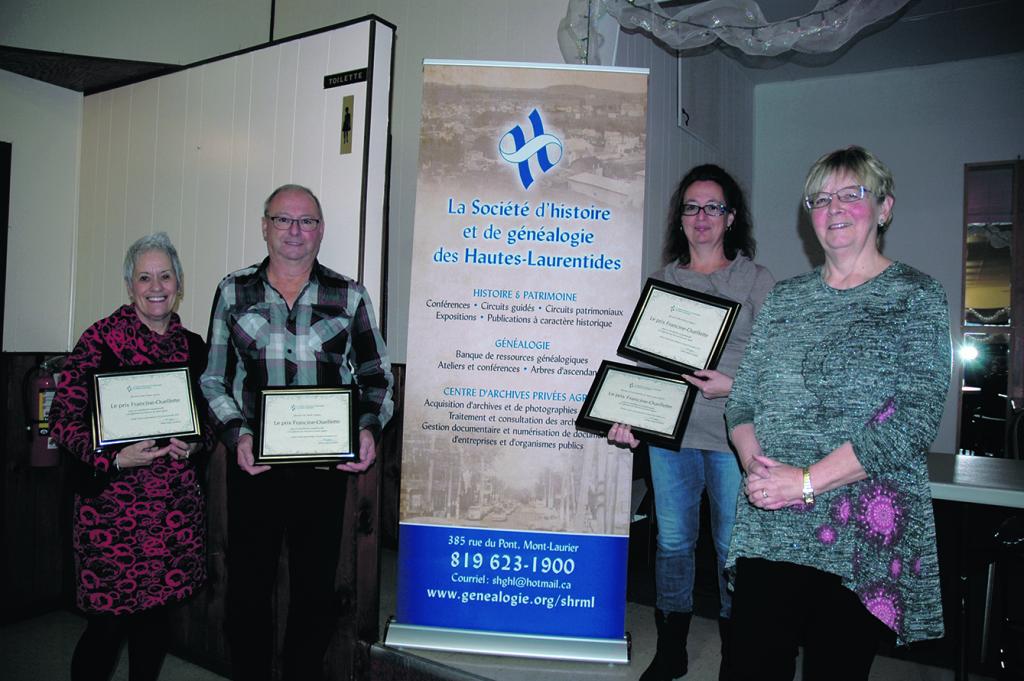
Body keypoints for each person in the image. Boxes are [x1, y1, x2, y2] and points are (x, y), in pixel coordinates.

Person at [724, 146, 951, 680]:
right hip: (772, 520)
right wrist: (760, 471)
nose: (835, 208)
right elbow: (743, 397)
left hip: (856, 525)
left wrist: (802, 482)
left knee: (835, 671)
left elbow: (912, 421)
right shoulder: (784, 299)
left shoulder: (916, 297)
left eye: (852, 194)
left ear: (884, 208)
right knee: (748, 668)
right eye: (821, 199)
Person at [200, 184, 394, 681]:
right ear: (264, 227)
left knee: (314, 591)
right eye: (283, 220)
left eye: (306, 221)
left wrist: (367, 429)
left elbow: (376, 377)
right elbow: (213, 378)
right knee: (248, 590)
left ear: (321, 230)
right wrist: (238, 436)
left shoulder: (348, 295)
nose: (295, 231)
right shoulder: (232, 291)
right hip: (254, 467)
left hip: (322, 471)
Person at [608, 164, 774, 680]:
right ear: (680, 219)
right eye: (692, 207)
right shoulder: (663, 280)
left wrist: (734, 386)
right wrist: (627, 416)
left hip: (734, 437)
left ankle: (735, 655)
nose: (702, 217)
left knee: (730, 549)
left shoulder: (756, 280)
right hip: (670, 436)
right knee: (673, 544)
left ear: (731, 218)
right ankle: (673, 650)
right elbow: (645, 363)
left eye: (713, 207)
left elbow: (777, 365)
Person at [49, 232, 210, 681]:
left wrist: (196, 444)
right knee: (106, 626)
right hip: (111, 513)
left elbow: (209, 419)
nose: (155, 286)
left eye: (165, 275)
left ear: (179, 283)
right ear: (129, 285)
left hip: (173, 512)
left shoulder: (193, 346)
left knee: (155, 623)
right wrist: (115, 458)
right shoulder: (99, 340)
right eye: (144, 277)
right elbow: (62, 420)